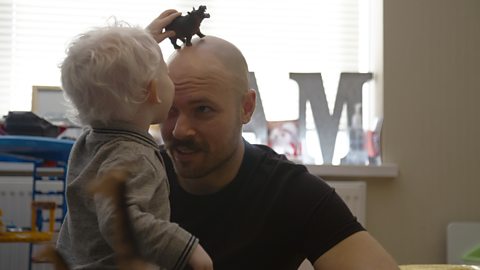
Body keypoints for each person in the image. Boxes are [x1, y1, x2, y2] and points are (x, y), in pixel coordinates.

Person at [151, 23, 399, 269]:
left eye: (202, 109)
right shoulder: (139, 176)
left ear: (246, 108)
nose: (179, 130)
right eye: (171, 109)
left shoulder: (287, 190)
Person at [56, 11, 213, 270]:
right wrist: (187, 248)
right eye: (165, 72)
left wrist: (142, 45)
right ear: (151, 91)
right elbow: (119, 219)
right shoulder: (131, 156)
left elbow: (97, 84)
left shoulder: (91, 141)